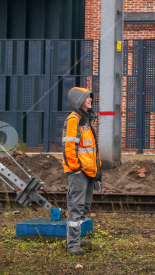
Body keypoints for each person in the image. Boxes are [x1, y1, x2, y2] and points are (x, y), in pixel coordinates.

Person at [62, 86, 102, 255]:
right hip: (79, 172)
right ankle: (72, 244)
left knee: (83, 207)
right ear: (79, 101)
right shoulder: (74, 120)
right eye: (87, 97)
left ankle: (75, 239)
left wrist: (97, 170)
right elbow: (69, 146)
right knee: (76, 208)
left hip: (88, 172)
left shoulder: (85, 120)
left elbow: (92, 150)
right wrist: (76, 169)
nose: (91, 99)